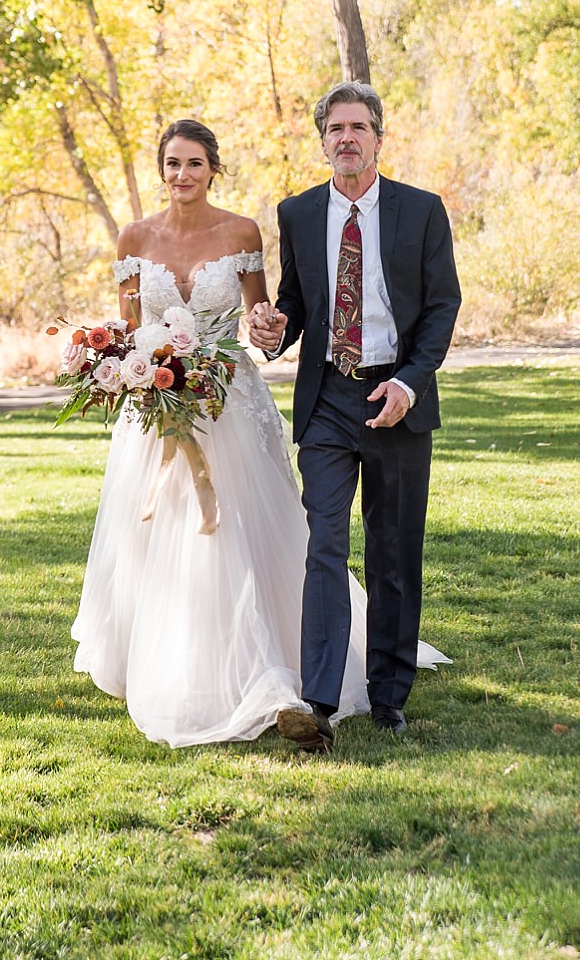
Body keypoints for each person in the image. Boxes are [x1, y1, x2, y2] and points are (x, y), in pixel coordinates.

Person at [70, 117, 443, 749]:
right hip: (157, 409)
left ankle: (311, 677)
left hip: (228, 402)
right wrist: (116, 366)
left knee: (249, 536)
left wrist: (267, 332)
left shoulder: (243, 230)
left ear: (214, 167)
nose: (181, 175)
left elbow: (265, 314)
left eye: (193, 163)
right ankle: (188, 668)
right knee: (177, 539)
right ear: (159, 170)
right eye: (171, 164)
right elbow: (129, 325)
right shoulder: (133, 237)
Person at [247, 82, 461, 751]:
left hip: (396, 397)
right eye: (335, 127)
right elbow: (295, 305)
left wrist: (410, 381)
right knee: (325, 547)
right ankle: (317, 699)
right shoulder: (299, 211)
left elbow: (441, 308)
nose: (347, 137)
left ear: (378, 136)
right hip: (329, 401)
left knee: (395, 552)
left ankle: (390, 695)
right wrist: (271, 329)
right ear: (322, 140)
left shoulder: (421, 211)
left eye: (358, 126)